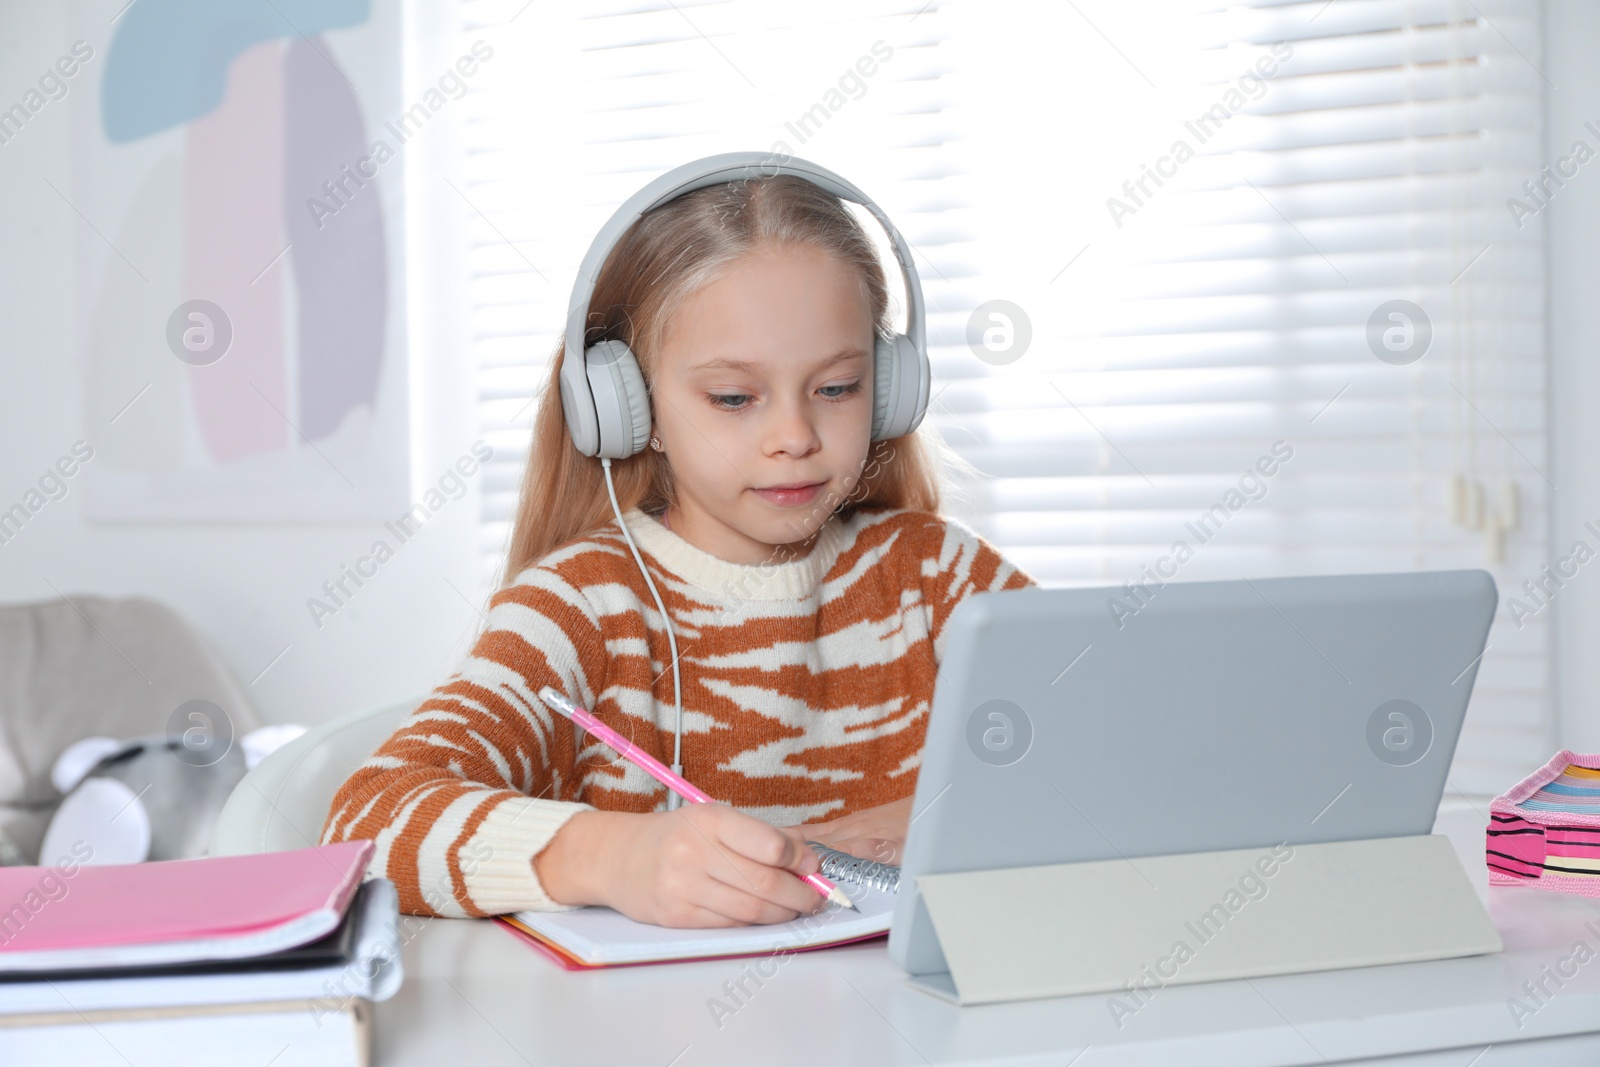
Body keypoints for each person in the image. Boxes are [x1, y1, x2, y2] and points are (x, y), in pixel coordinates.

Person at [321, 168, 1036, 928]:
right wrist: (615, 856)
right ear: (633, 408)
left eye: (837, 387)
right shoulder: (582, 609)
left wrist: (849, 836)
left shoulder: (939, 576)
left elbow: (1125, 748)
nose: (794, 436)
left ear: (890, 387)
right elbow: (367, 822)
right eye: (733, 398)